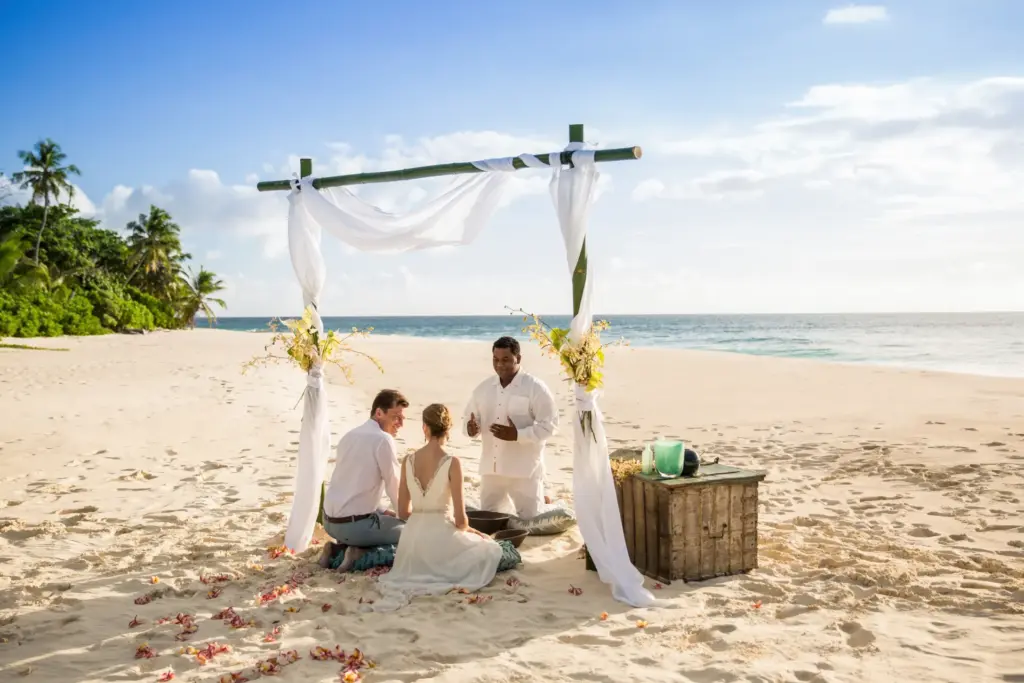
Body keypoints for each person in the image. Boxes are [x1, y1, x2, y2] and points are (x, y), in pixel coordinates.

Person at [373, 404, 502, 610]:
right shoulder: (452, 462)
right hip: (441, 535)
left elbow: (403, 512)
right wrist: (474, 531)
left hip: (412, 541)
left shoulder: (408, 460)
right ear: (448, 430)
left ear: (425, 428)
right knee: (491, 549)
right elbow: (461, 521)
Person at [462, 336, 558, 520]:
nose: (500, 365)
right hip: (492, 470)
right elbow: (468, 420)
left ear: (518, 359)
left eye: (505, 359)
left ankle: (547, 501)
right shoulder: (483, 389)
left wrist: (517, 435)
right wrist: (471, 428)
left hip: (524, 471)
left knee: (531, 521)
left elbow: (550, 426)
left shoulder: (535, 388)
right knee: (489, 520)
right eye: (495, 360)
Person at [320, 389, 409, 572]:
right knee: (412, 536)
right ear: (379, 413)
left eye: (402, 418)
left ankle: (335, 549)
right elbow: (394, 486)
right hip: (354, 527)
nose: (400, 423)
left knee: (387, 520)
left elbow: (354, 486)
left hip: (330, 522)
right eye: (396, 417)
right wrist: (408, 517)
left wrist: (384, 511)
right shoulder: (383, 440)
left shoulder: (349, 436)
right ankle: (358, 553)